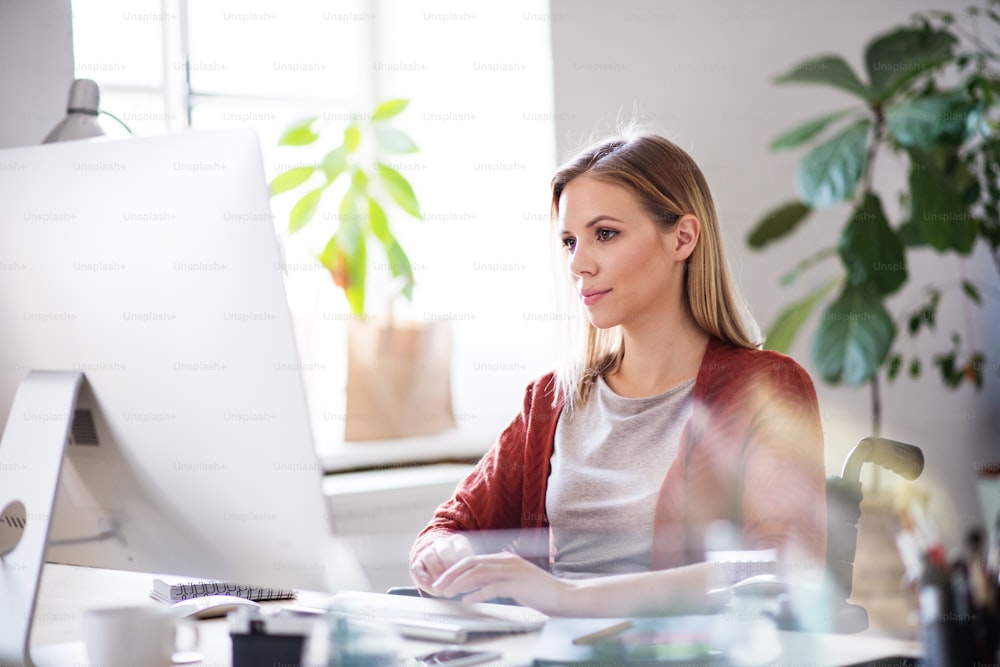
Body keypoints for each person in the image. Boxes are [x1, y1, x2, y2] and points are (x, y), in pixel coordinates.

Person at [409, 131, 827, 616]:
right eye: (569, 241)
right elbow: (446, 530)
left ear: (682, 238)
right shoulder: (550, 400)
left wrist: (571, 597)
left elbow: (780, 565)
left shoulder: (765, 388)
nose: (578, 263)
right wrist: (447, 555)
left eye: (604, 234)